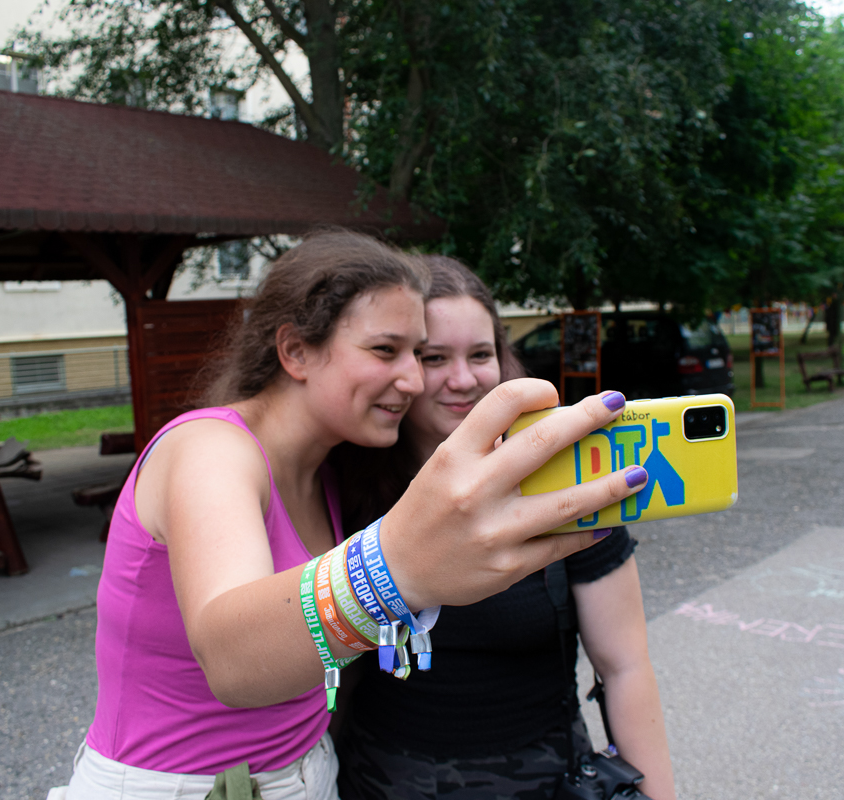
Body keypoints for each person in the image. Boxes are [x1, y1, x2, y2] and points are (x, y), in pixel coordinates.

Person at [53, 232, 648, 800]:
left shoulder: (331, 473)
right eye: (387, 350)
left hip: (310, 772)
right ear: (294, 350)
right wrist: (399, 568)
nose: (415, 380)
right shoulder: (210, 449)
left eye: (419, 354)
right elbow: (233, 662)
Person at [333, 257, 676, 800]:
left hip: (544, 781)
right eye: (434, 357)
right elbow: (333, 672)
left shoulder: (568, 481)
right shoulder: (347, 487)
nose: (464, 379)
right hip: (380, 782)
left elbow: (626, 665)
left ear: (504, 360)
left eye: (480, 354)